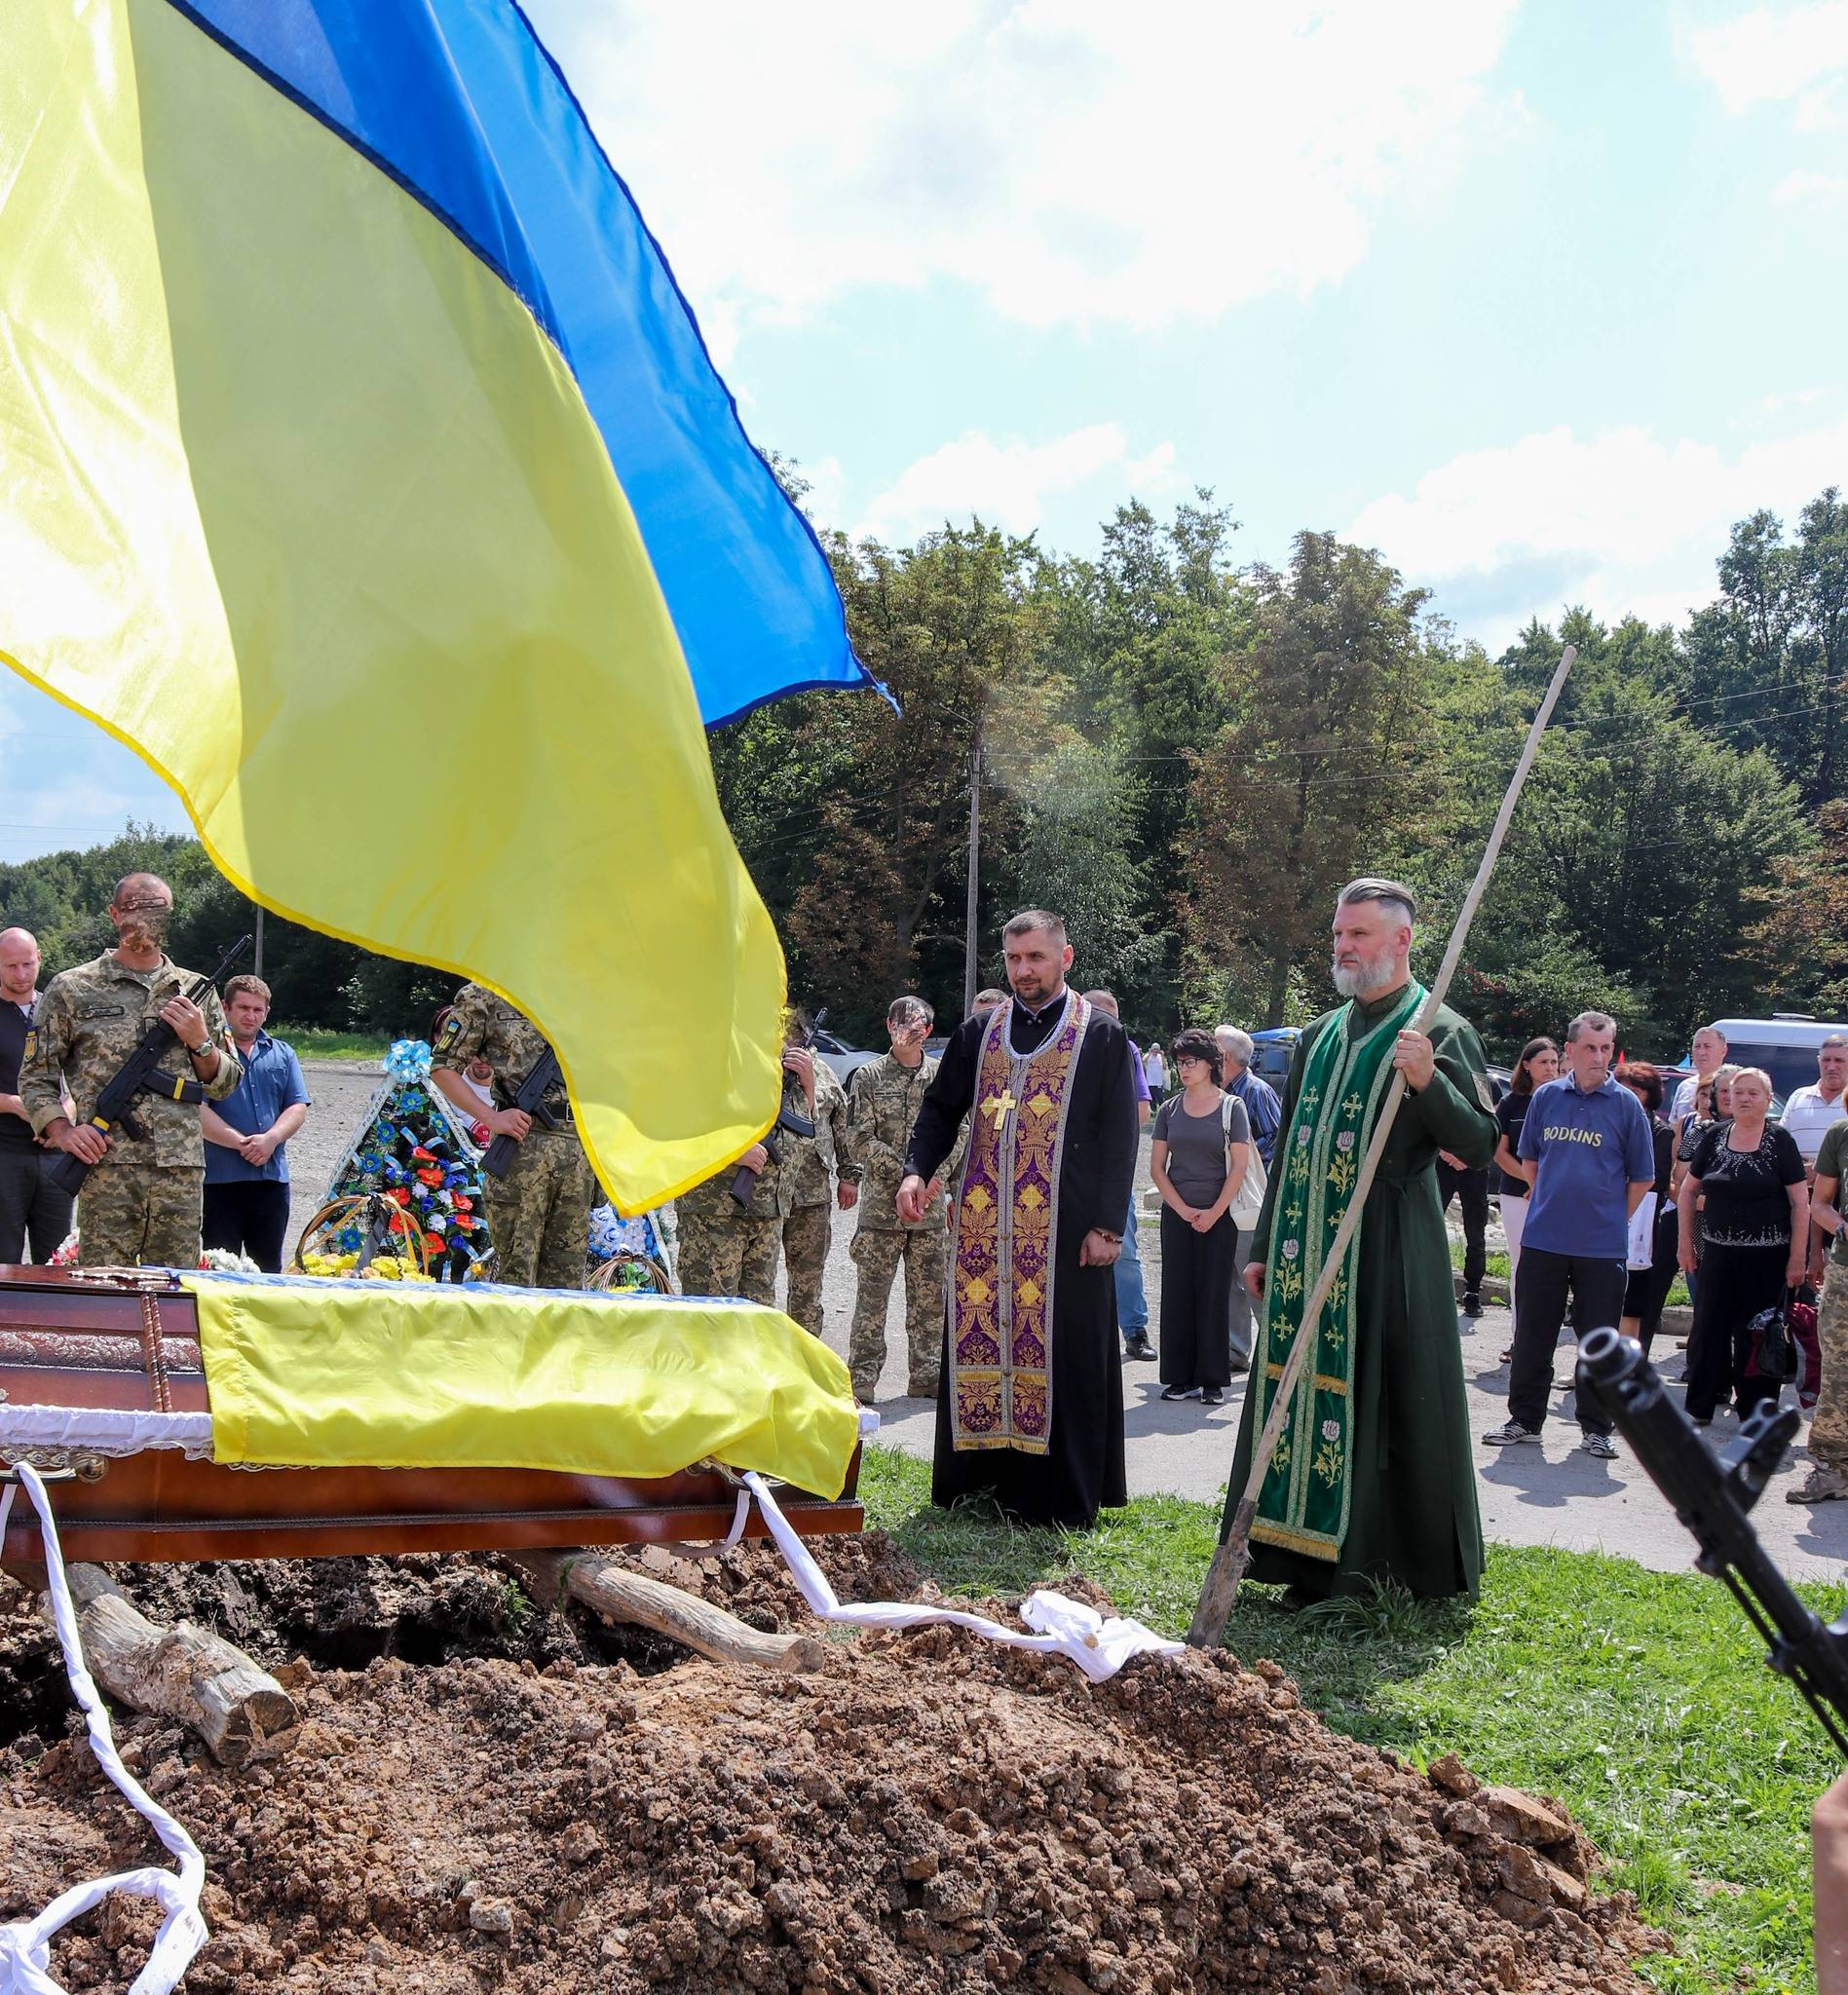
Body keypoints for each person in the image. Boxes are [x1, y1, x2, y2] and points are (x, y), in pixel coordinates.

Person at [1224, 879, 1498, 1600]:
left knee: (1379, 1401)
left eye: (1359, 935)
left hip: (1385, 1250)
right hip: (1299, 1249)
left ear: (1401, 940)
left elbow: (1479, 1143)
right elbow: (1291, 1147)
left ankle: (1371, 1567)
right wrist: (1263, 1246)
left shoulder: (1440, 1029)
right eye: (1339, 934)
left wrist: (1428, 1079)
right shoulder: (1317, 1033)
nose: (1343, 947)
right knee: (1291, 1395)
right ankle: (1288, 1557)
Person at [900, 908, 1138, 1529]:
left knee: (1065, 1352)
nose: (1024, 970)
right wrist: (916, 1170)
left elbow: (1120, 1136)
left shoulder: (1101, 1035)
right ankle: (979, 1479)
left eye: (1036, 957)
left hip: (1068, 1228)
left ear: (1065, 958)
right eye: (1013, 959)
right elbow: (940, 1108)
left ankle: (1060, 1493)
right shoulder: (981, 1031)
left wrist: (1109, 1225)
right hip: (985, 1226)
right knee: (984, 1336)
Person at [20, 874, 242, 1267]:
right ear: (114, 914)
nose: (146, 919)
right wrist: (63, 1131)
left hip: (180, 1172)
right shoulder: (72, 988)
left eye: (158, 910)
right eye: (136, 908)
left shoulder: (196, 991)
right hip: (106, 1169)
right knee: (103, 1287)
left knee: (175, 1288)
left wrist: (199, 1040)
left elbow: (226, 1084)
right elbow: (36, 1076)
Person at [1485, 1012, 1655, 1459]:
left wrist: (1612, 1218)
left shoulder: (1626, 1106)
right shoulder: (1546, 1097)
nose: (1600, 1057)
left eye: (1606, 1048)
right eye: (1591, 1048)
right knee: (1532, 1336)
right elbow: (1530, 1162)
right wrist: (1550, 1201)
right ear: (1571, 1051)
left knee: (1597, 1341)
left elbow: (1642, 1177)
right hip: (1544, 1239)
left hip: (1601, 1247)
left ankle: (1596, 1427)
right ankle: (1524, 1420)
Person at [432, 985, 593, 1288]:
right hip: (521, 1152)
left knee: (568, 1284)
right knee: (516, 1279)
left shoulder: (584, 992)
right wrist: (491, 1117)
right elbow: (442, 1067)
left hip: (578, 1156)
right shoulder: (486, 994)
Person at [1677, 1066, 1807, 1426]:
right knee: (1708, 1330)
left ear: (1768, 1099)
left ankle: (1755, 1412)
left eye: (1753, 1093)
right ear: (1728, 1099)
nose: (1744, 1099)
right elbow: (1688, 1191)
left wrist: (1798, 1257)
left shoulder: (1780, 1141)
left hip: (1768, 1257)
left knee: (1759, 1334)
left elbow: (1800, 1203)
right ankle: (1701, 1406)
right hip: (1717, 1254)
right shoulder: (1714, 1136)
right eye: (1738, 1092)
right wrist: (1685, 1244)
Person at [846, 997, 959, 1400]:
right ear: (888, 1025)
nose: (906, 1033)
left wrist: (934, 1178)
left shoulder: (941, 1076)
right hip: (881, 1210)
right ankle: (861, 1378)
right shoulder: (868, 1077)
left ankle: (926, 1375)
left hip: (928, 1211)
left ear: (928, 1031)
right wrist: (909, 1174)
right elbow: (858, 1138)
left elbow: (959, 1131)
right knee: (871, 1300)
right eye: (899, 1025)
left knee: (930, 1300)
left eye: (915, 1027)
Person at [1150, 1028, 1248, 1406]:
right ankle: (1179, 1377)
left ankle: (1211, 1380)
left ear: (1211, 1064)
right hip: (1178, 1214)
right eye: (1179, 1062)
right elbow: (1157, 1167)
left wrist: (1213, 1213)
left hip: (1219, 1216)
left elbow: (1239, 1167)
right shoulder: (1169, 1109)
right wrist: (1182, 1209)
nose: (1184, 1069)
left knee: (1213, 1294)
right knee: (1177, 1293)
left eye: (1191, 1061)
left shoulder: (1232, 1107)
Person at [199, 975, 311, 1272]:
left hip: (271, 1181)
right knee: (218, 1269)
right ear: (225, 1008)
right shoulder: (206, 1055)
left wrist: (271, 1139)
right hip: (219, 1181)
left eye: (257, 1009)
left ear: (267, 1012)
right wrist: (241, 1143)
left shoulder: (283, 1053)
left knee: (269, 1270)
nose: (250, 1016)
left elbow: (297, 1106)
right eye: (243, 1008)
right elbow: (197, 1110)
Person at [767, 1022, 856, 1337]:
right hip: (765, 1193)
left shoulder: (824, 1074)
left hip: (811, 1194)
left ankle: (804, 1349)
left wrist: (849, 1175)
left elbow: (842, 1128)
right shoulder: (758, 1069)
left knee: (807, 1281)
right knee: (759, 1280)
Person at [1085, 990, 1155, 1363]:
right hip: (1067, 1173)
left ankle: (1134, 1330)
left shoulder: (1126, 1050)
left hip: (1111, 1172)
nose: (1107, 1028)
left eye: (1113, 1021)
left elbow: (1142, 1113)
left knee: (1123, 1252)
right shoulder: (1061, 1046)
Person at [0, 927, 73, 1263]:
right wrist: (15, 1105)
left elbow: (80, 1080)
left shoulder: (58, 1012)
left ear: (39, 959)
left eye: (27, 964)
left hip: (56, 1154)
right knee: (4, 1259)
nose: (21, 974)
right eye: (11, 966)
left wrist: (65, 1114)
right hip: (6, 1153)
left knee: (58, 1259)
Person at [1216, 1025, 1280, 1373]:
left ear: (1225, 1057)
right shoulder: (1218, 1092)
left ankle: (1275, 1353)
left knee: (1252, 1275)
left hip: (1251, 1201)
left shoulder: (1256, 1091)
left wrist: (1239, 1158)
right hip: (1223, 1199)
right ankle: (1236, 1353)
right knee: (1228, 1280)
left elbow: (1276, 1137)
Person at [1791, 1110, 1848, 1503]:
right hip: (1845, 1273)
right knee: (1839, 1373)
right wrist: (1843, 1228)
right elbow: (1821, 1204)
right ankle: (1832, 1469)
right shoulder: (1841, 1133)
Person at [1492, 1037, 1559, 1360]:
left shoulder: (1564, 1101)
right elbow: (1499, 1152)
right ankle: (1519, 1337)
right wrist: (1531, 1179)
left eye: (1554, 1062)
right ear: (1527, 1065)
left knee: (1552, 1267)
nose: (1550, 1068)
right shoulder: (1512, 1103)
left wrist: (1545, 1185)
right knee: (1521, 1265)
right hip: (1517, 1194)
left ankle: (1543, 1341)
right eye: (1543, 1062)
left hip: (1555, 1195)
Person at [1615, 1062, 1678, 1355]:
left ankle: (1627, 1364)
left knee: (1634, 1296)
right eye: (1623, 1090)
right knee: (1596, 1295)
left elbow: (1658, 1179)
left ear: (1649, 1095)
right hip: (1599, 1215)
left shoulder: (1660, 1132)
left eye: (1636, 1091)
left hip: (1640, 1222)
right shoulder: (1605, 1122)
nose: (1628, 1096)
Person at [1436, 1144, 1490, 1319]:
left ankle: (1472, 1292)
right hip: (1441, 1160)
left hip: (1475, 1163)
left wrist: (1467, 1156)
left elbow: (1491, 1132)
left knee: (1475, 1234)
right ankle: (1430, 1287)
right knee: (1429, 1229)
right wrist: (1444, 1152)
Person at [1781, 1034, 1848, 1168]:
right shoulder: (1798, 1097)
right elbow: (1781, 1144)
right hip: (1800, 1180)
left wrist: (1823, 1171)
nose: (1831, 1067)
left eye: (1839, 1060)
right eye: (1826, 1060)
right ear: (1818, 1061)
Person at [1670, 1023, 1729, 1131]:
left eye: (1707, 1046)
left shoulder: (1734, 1086)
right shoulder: (1685, 1086)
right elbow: (1674, 1126)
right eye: (1697, 1047)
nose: (1701, 1052)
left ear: (1723, 1051)